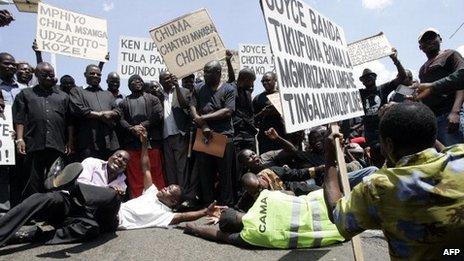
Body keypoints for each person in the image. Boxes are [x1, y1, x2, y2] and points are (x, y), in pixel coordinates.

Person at [323, 102, 464, 260]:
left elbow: (337, 213)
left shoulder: (380, 187)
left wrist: (330, 156)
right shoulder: (460, 154)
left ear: (389, 145)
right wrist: (416, 124)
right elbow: (444, 151)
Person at [0, 150, 130, 246]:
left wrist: (110, 193)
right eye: (118, 156)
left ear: (125, 168)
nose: (120, 160)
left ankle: (36, 236)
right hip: (72, 202)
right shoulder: (92, 162)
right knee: (42, 198)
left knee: (92, 228)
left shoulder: (122, 184)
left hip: (90, 216)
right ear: (110, 157)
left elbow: (109, 212)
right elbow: (83, 182)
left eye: (124, 160)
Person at [117, 128, 225, 230]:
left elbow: (182, 217)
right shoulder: (152, 192)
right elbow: (146, 169)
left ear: (173, 201)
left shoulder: (164, 214)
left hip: (116, 219)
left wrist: (205, 211)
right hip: (114, 206)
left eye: (169, 190)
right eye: (167, 187)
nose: (164, 188)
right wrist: (144, 143)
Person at [184, 189, 345, 249]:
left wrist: (193, 228)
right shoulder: (265, 196)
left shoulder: (251, 235)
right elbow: (289, 193)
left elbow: (219, 236)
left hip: (332, 230)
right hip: (327, 202)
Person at [13, 62, 74, 198]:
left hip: (56, 145)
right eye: (44, 74)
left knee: (55, 181)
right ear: (36, 75)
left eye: (51, 75)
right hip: (34, 144)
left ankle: (51, 213)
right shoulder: (26, 94)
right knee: (32, 183)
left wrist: (70, 142)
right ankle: (33, 214)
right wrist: (20, 139)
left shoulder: (63, 97)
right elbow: (20, 119)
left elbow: (69, 122)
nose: (48, 77)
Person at [190, 60, 237, 206]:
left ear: (218, 73)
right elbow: (192, 106)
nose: (204, 75)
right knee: (205, 172)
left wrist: (203, 117)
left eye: (208, 72)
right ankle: (208, 203)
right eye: (204, 71)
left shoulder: (228, 89)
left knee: (225, 173)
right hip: (204, 135)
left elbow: (228, 111)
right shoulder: (198, 88)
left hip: (223, 135)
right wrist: (202, 125)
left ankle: (226, 204)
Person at [414, 28, 464, 146]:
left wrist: (455, 112)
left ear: (440, 39)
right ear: (420, 47)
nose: (429, 41)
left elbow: (461, 82)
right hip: (434, 119)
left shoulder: (450, 54)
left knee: (459, 155)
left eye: (432, 37)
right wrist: (416, 98)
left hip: (450, 114)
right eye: (425, 40)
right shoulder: (422, 69)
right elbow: (425, 92)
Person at [118, 74, 165, 197]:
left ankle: (160, 200)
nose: (138, 82)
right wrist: (131, 128)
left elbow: (158, 114)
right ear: (129, 85)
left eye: (140, 80)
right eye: (134, 81)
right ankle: (138, 200)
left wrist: (142, 125)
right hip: (132, 144)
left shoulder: (153, 99)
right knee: (135, 174)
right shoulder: (123, 102)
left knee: (155, 172)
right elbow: (120, 119)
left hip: (151, 143)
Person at [70, 64, 120, 161]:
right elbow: (77, 109)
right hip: (87, 142)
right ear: (85, 74)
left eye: (98, 74)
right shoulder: (77, 91)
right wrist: (100, 115)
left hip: (108, 142)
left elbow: (118, 111)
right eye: (92, 73)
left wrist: (111, 113)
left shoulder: (108, 94)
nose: (96, 76)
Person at [358, 48, 407, 146]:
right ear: (362, 81)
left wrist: (395, 60)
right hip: (369, 131)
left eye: (370, 76)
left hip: (383, 127)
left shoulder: (383, 88)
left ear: (375, 77)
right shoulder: (359, 93)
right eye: (365, 78)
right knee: (375, 156)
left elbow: (402, 77)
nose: (367, 79)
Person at [159, 71, 191, 190]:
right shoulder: (159, 95)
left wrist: (177, 86)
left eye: (170, 78)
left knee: (181, 168)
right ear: (160, 81)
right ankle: (173, 196)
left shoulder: (183, 91)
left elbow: (185, 106)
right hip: (166, 136)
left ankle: (183, 194)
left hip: (179, 134)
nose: (168, 80)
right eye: (165, 78)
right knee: (170, 168)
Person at [252, 72, 286, 153]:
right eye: (263, 81)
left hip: (282, 136)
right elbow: (253, 119)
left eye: (267, 80)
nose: (264, 83)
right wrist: (263, 113)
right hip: (265, 137)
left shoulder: (283, 96)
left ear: (275, 80)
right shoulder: (258, 98)